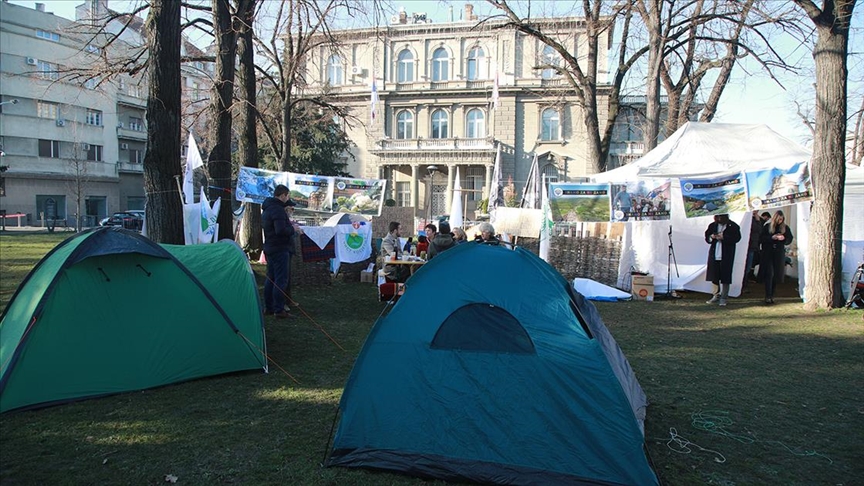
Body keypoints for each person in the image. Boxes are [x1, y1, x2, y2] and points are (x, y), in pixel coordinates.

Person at [262, 184, 297, 318]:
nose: (287, 198)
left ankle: (269, 307)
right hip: (280, 248)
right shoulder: (278, 210)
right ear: (282, 195)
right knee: (280, 280)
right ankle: (279, 309)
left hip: (270, 247)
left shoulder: (268, 209)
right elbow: (281, 230)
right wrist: (293, 230)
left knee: (271, 278)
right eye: (287, 196)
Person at [704, 213, 741, 307]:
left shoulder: (733, 226)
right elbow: (707, 237)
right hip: (714, 253)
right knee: (714, 275)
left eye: (721, 217)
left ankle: (724, 297)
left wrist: (724, 238)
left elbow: (737, 238)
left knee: (725, 276)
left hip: (726, 254)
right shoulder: (713, 225)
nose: (719, 219)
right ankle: (715, 295)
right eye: (718, 217)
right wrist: (712, 237)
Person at [760, 210, 793, 304]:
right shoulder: (767, 227)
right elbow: (761, 238)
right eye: (779, 219)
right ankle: (768, 295)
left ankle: (772, 295)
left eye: (781, 220)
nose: (780, 221)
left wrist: (784, 239)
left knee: (775, 275)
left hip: (778, 253)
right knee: (769, 274)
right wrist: (771, 238)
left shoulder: (785, 228)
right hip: (768, 253)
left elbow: (789, 239)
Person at [744, 211, 769, 284]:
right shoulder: (753, 220)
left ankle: (745, 283)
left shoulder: (757, 219)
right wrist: (758, 221)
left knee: (748, 266)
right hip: (751, 244)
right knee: (747, 266)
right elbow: (758, 230)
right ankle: (744, 283)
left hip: (753, 245)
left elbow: (760, 231)